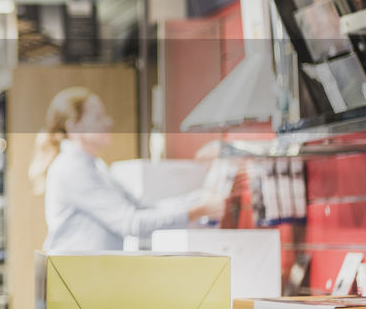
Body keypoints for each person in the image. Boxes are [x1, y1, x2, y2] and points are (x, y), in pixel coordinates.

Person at [29, 86, 223, 253]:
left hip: (88, 278)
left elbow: (144, 207)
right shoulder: (72, 169)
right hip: (75, 282)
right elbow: (130, 223)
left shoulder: (96, 167)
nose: (108, 122)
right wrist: (199, 210)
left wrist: (201, 198)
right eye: (98, 117)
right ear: (74, 128)